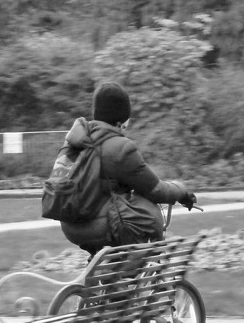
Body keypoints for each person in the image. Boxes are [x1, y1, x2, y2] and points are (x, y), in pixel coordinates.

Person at [60, 81, 196, 255]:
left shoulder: (75, 141)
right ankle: (132, 267)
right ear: (121, 121)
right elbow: (156, 190)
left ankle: (107, 271)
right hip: (97, 225)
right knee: (148, 207)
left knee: (119, 205)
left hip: (70, 226)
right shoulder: (121, 148)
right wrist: (182, 190)